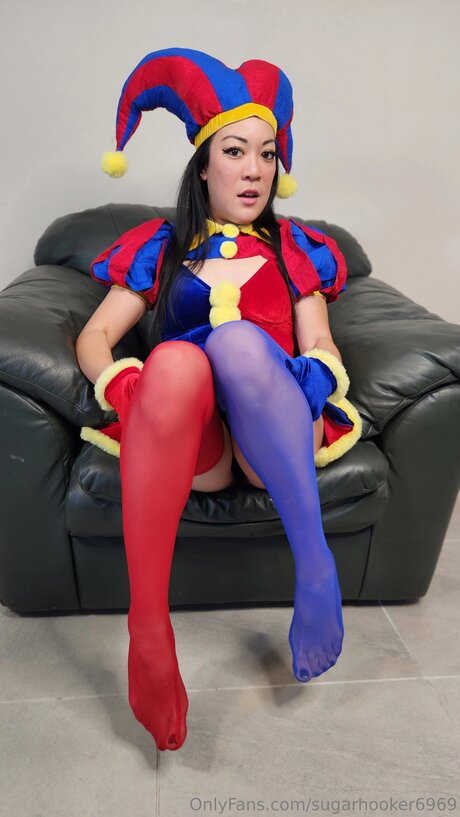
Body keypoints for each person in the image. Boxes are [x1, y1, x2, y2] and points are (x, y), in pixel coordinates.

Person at [75, 47, 362, 752]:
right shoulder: (163, 246)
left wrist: (315, 376)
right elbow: (96, 336)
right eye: (235, 152)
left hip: (274, 440)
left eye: (267, 154)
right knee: (176, 358)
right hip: (196, 447)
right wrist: (125, 385)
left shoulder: (295, 247)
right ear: (203, 165)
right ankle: (149, 628)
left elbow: (321, 341)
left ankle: (315, 568)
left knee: (236, 343)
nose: (254, 170)